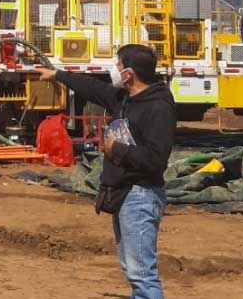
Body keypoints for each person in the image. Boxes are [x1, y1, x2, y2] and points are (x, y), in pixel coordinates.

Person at [36, 44, 176, 299]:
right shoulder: (124, 99)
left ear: (129, 74)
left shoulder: (158, 107)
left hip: (141, 196)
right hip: (123, 193)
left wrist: (116, 149)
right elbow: (93, 88)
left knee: (142, 274)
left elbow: (155, 160)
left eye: (118, 65)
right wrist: (58, 75)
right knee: (132, 268)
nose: (114, 69)